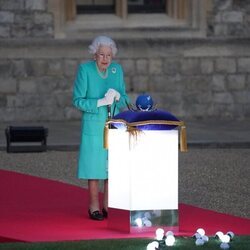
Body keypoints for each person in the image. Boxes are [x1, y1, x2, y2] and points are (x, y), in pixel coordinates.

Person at [72, 35, 130, 221]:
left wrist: (117, 98)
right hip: (93, 125)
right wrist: (100, 102)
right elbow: (77, 100)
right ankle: (94, 206)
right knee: (94, 167)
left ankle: (109, 205)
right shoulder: (85, 70)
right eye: (101, 55)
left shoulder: (117, 70)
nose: (105, 59)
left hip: (114, 125)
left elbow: (125, 99)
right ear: (94, 55)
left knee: (111, 167)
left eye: (108, 55)